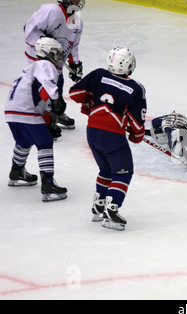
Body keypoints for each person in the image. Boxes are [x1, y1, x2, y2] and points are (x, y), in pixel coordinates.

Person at [69, 46, 147, 231]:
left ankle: (99, 205)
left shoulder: (98, 75)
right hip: (113, 135)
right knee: (123, 172)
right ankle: (112, 210)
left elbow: (75, 94)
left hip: (93, 132)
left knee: (106, 169)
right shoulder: (135, 88)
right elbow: (137, 122)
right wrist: (137, 135)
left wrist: (89, 99)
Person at [5, 37, 68, 202]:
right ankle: (48, 184)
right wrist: (56, 97)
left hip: (11, 110)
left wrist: (47, 122)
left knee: (24, 141)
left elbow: (39, 97)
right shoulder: (44, 65)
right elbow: (46, 86)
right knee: (45, 142)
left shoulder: (30, 68)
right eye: (56, 54)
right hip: (26, 110)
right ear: (48, 53)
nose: (58, 58)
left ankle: (17, 172)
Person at [24, 0, 85, 131]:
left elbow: (73, 45)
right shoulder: (51, 10)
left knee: (58, 85)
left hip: (56, 61)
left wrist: (75, 63)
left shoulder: (77, 22)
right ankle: (42, 118)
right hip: (38, 59)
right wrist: (43, 40)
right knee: (43, 87)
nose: (79, 1)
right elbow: (29, 29)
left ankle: (55, 114)